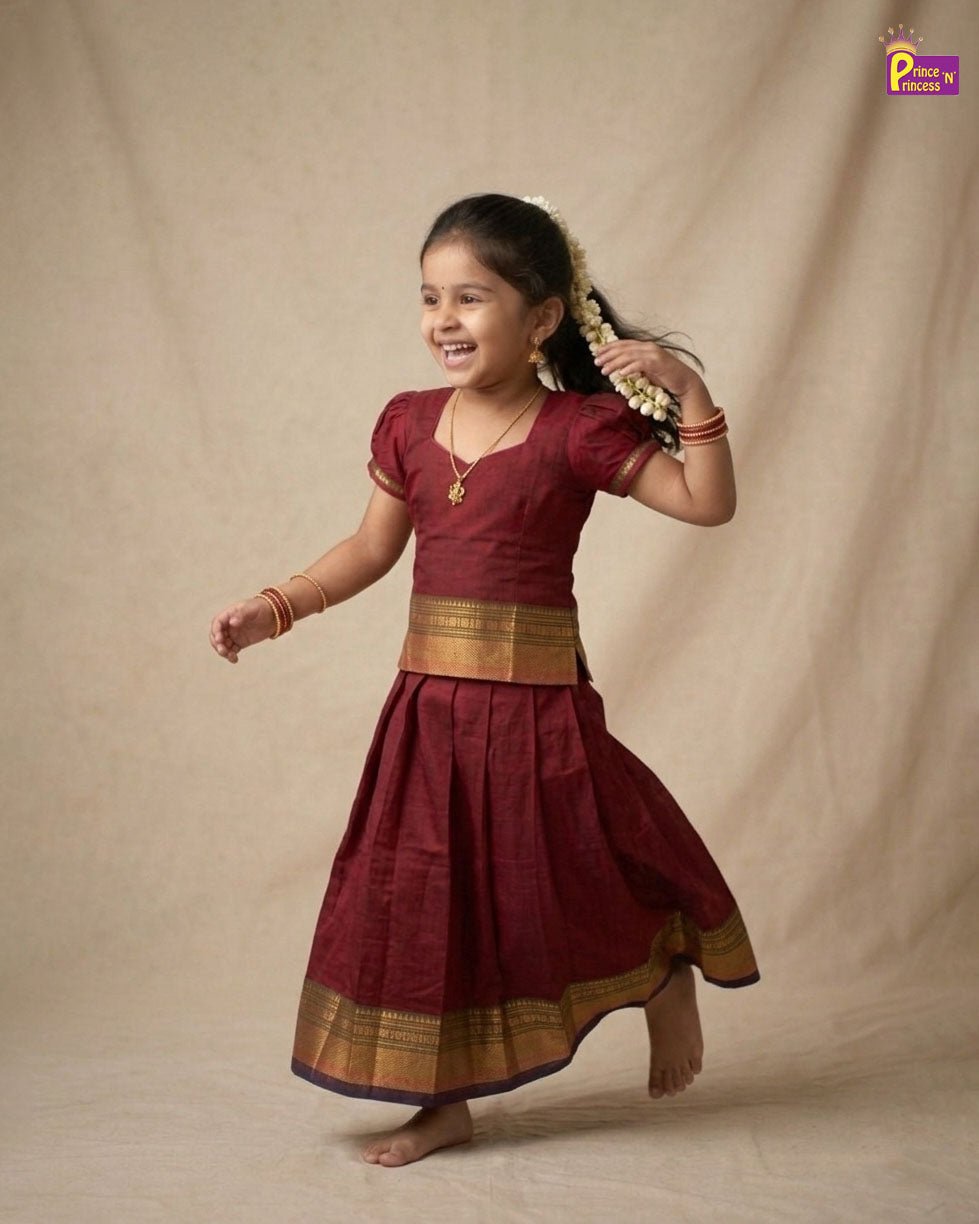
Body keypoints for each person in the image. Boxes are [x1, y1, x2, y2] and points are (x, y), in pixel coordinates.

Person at [209, 192, 759, 1168]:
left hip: (540, 705)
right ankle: (441, 1104)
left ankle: (663, 974)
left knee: (585, 861)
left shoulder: (577, 428)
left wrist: (687, 390)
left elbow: (704, 504)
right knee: (430, 899)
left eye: (470, 297)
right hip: (429, 710)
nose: (444, 319)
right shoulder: (409, 424)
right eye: (430, 298)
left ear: (541, 316)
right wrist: (274, 606)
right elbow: (369, 550)